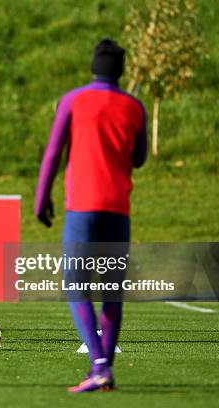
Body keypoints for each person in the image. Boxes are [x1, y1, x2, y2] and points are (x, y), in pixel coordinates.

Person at [35, 39, 147, 392]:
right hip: (118, 209)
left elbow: (54, 151)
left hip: (82, 208)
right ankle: (105, 369)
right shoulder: (135, 107)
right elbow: (140, 158)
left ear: (92, 67)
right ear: (122, 70)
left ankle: (99, 365)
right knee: (111, 291)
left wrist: (42, 197)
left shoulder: (73, 100)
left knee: (75, 286)